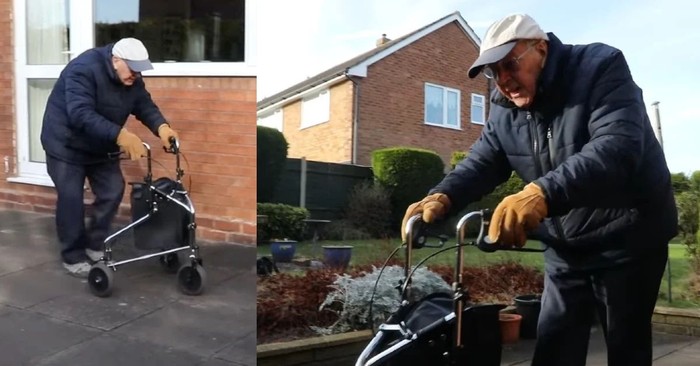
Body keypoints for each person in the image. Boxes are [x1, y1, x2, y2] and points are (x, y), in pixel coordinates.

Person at [402, 13, 677, 366]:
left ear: (541, 48)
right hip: (566, 246)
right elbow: (483, 162)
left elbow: (617, 147)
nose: (503, 80)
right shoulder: (504, 109)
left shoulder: (600, 68)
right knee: (554, 345)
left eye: (510, 65)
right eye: (494, 71)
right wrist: (443, 195)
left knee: (626, 347)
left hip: (628, 236)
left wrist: (542, 193)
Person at [41, 37, 179, 278]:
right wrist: (121, 135)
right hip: (66, 144)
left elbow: (144, 105)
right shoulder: (82, 70)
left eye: (139, 70)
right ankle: (73, 255)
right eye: (132, 69)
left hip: (101, 145)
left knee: (113, 190)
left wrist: (162, 128)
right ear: (116, 61)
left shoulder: (132, 78)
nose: (136, 75)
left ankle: (95, 244)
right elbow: (80, 113)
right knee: (71, 198)